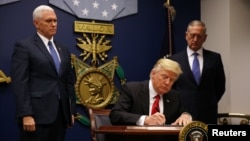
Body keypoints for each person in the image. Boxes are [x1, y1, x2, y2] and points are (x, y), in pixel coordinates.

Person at [10, 5, 76, 141]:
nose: (53, 24)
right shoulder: (25, 46)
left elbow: (68, 82)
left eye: (55, 21)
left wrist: (71, 111)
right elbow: (20, 83)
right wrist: (26, 114)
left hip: (60, 116)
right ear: (36, 23)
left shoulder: (63, 49)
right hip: (36, 117)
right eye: (48, 21)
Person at [169, 20, 226, 124]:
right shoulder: (174, 60)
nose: (195, 39)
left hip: (208, 114)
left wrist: (208, 102)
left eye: (199, 36)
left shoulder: (215, 58)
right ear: (186, 35)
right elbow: (171, 88)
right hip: (182, 116)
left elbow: (220, 87)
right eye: (192, 35)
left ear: (205, 38)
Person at [109, 58, 192, 126]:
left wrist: (186, 115)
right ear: (153, 74)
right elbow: (115, 115)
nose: (167, 83)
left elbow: (184, 112)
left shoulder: (174, 96)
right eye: (164, 77)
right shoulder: (132, 89)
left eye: (172, 80)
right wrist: (145, 119)